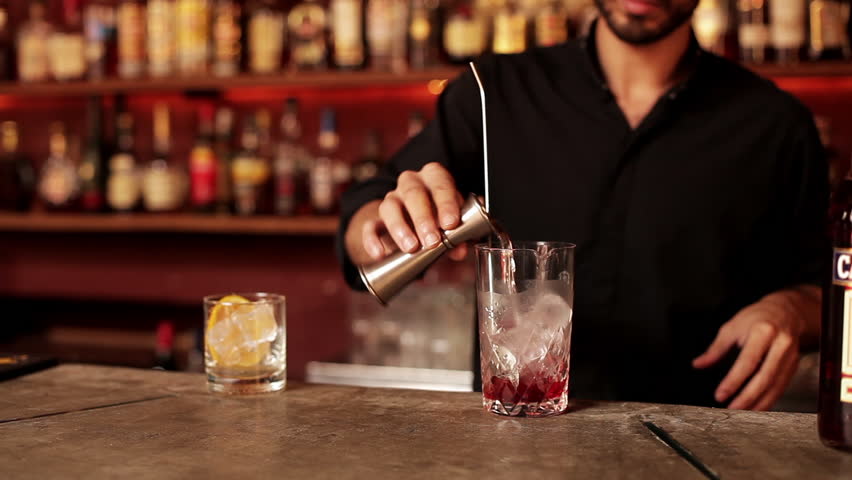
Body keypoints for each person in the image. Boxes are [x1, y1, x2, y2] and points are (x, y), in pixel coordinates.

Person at [335, 0, 828, 410]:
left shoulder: (776, 125)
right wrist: (383, 224)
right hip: (514, 440)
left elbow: (828, 287)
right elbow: (364, 223)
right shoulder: (492, 94)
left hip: (697, 442)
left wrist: (792, 308)